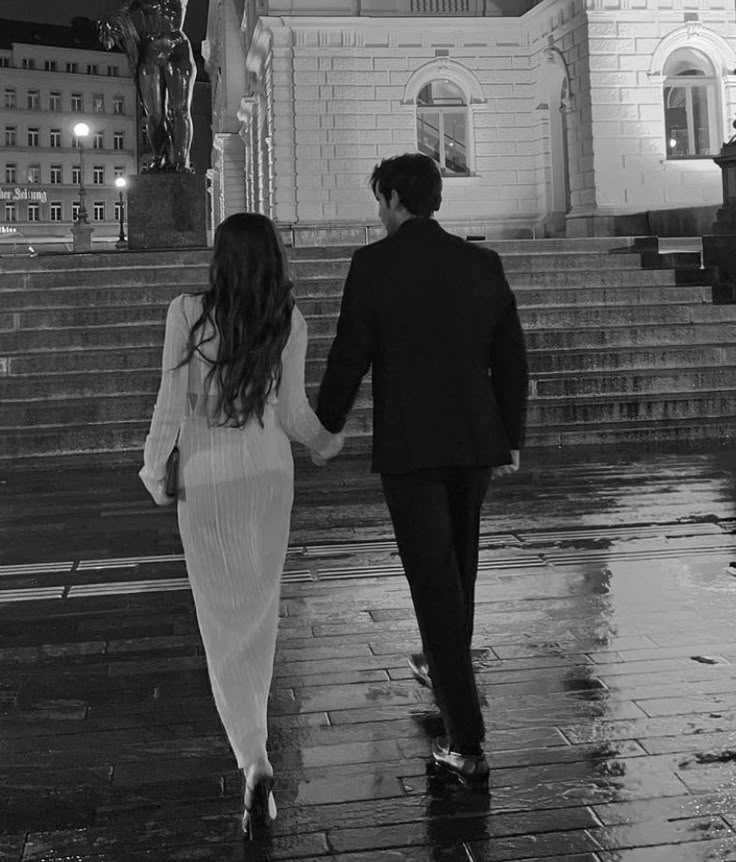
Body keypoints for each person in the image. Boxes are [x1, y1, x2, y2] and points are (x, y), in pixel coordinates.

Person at [315, 153, 528, 786]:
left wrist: (324, 422)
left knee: (434, 581)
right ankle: (446, 665)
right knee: (459, 564)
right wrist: (510, 436)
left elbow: (351, 351)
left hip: (412, 450)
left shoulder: (373, 265)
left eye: (379, 199)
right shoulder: (481, 263)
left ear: (393, 199)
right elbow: (510, 357)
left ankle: (466, 741)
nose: (377, 212)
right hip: (475, 442)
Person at [139, 213, 343, 835]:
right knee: (260, 610)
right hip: (268, 478)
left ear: (219, 259)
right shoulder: (289, 320)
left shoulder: (187, 315)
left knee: (219, 620)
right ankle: (255, 752)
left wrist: (153, 471)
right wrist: (326, 442)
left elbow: (170, 405)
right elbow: (294, 411)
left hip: (207, 483)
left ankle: (253, 758)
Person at [99, 0, 195, 172]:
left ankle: (181, 162)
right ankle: (159, 157)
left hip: (177, 47)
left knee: (180, 110)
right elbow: (120, 11)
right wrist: (110, 25)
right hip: (150, 50)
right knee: (154, 114)